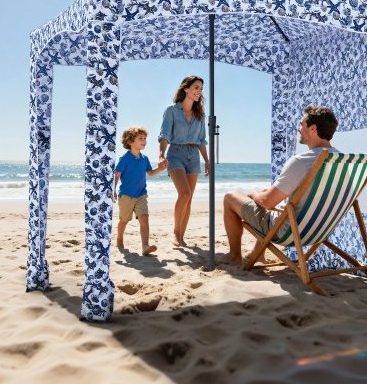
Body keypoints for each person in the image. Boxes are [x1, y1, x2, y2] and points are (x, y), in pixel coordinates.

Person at [222, 105, 340, 266]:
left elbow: (267, 202)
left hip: (290, 232)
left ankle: (234, 256)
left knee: (230, 197)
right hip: (320, 231)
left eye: (301, 124)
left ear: (312, 129)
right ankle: (258, 254)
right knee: (270, 196)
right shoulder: (341, 160)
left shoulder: (302, 161)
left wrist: (254, 194)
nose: (299, 128)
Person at [158, 75, 211, 247]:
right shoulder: (172, 110)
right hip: (176, 154)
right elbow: (165, 135)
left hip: (194, 155)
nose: (199, 91)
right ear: (186, 89)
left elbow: (201, 140)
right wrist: (161, 154)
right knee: (185, 194)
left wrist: (207, 161)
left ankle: (181, 236)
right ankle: (176, 233)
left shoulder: (200, 115)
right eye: (196, 87)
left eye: (201, 88)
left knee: (189, 198)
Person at [113, 126, 168, 255]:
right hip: (126, 195)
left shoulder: (145, 159)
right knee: (124, 220)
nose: (144, 141)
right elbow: (117, 174)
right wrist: (113, 190)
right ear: (130, 142)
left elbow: (150, 173)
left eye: (145, 138)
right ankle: (119, 237)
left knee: (144, 218)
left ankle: (145, 246)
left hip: (141, 194)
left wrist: (160, 169)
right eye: (140, 138)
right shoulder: (124, 159)